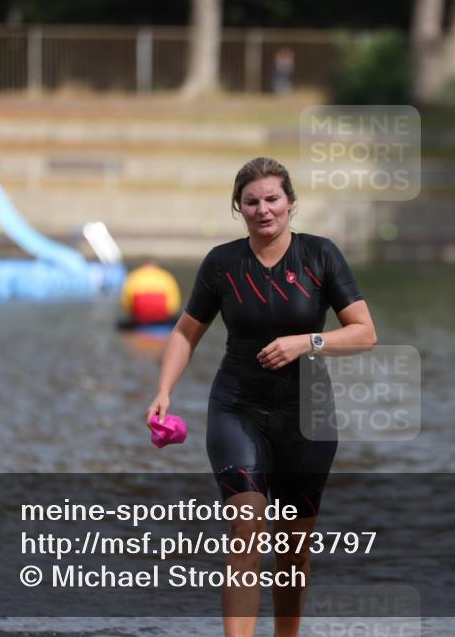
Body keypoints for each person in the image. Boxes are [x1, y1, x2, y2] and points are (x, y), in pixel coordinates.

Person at [145, 156, 377, 637]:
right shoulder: (222, 265)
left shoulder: (321, 256)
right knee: (246, 531)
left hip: (307, 418)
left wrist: (307, 341)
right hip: (237, 410)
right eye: (251, 202)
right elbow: (186, 333)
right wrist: (164, 389)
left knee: (293, 547)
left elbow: (364, 333)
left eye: (272, 199)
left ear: (291, 203)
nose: (263, 209)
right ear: (239, 208)